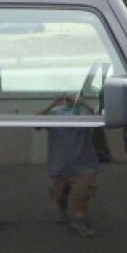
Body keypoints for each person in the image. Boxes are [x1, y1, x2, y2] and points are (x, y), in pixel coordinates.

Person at [42, 94, 101, 237]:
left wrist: (84, 103)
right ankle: (63, 211)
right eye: (66, 96)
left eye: (72, 96)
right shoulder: (54, 113)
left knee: (82, 193)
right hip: (60, 163)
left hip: (84, 162)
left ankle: (80, 218)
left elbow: (100, 118)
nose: (69, 98)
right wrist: (53, 103)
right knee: (60, 195)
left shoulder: (84, 112)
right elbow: (35, 120)